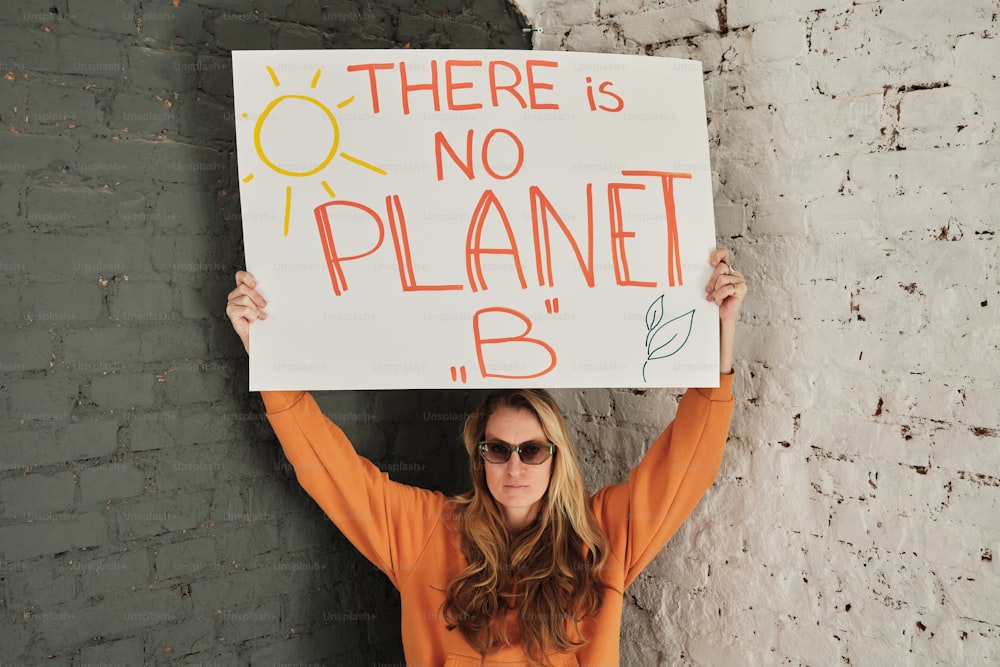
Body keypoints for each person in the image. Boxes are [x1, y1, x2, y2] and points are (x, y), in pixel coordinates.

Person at [226, 249, 746, 667]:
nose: (514, 467)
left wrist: (720, 336)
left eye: (532, 450)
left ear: (555, 458)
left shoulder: (600, 535)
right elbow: (330, 471)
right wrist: (266, 351)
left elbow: (687, 466)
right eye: (497, 450)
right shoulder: (426, 530)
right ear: (479, 458)